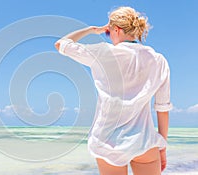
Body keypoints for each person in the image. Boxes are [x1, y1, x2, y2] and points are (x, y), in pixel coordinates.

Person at [55, 6, 172, 175]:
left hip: (108, 143)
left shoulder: (103, 52)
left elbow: (61, 44)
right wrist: (162, 147)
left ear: (116, 30)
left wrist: (91, 30)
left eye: (108, 33)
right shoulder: (158, 60)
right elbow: (162, 109)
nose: (108, 37)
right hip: (144, 142)